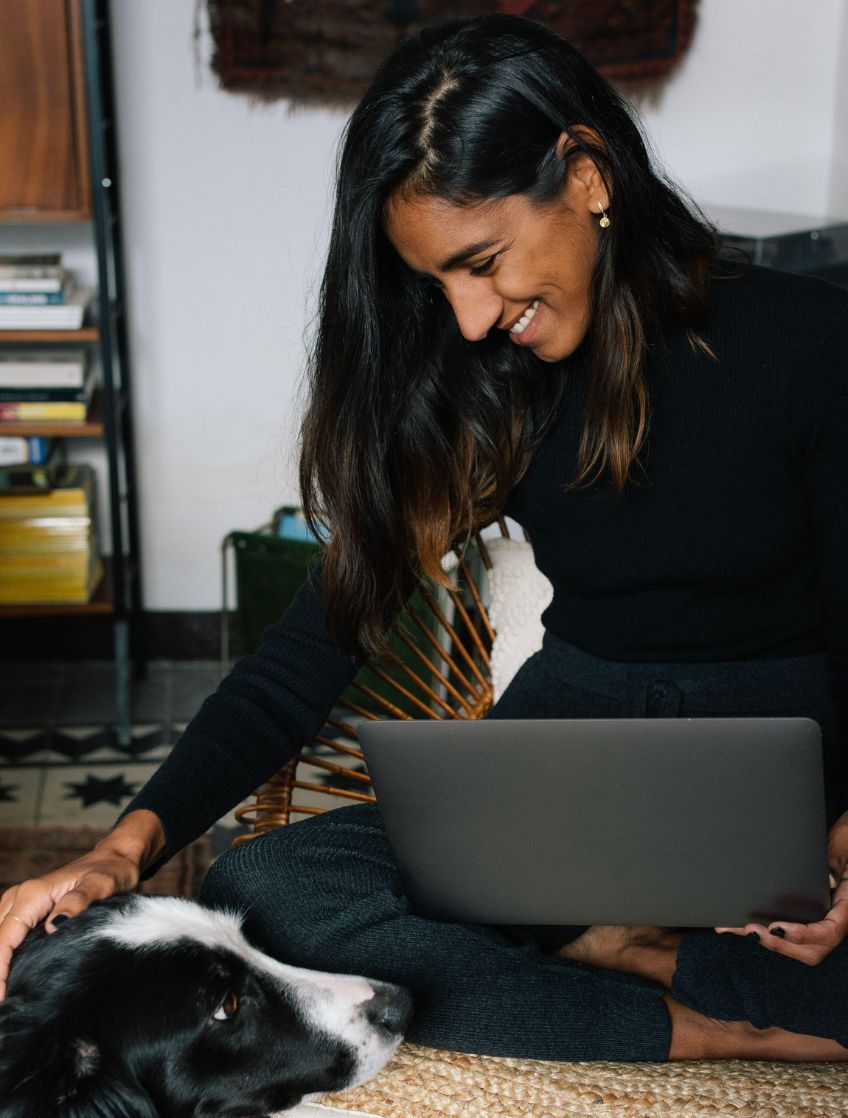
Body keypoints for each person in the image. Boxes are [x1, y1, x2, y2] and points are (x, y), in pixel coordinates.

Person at [2, 14, 848, 1063]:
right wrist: (121, 850)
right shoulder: (482, 389)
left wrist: (843, 849)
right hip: (565, 777)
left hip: (789, 787)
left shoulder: (807, 344)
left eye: (482, 261)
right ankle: (704, 1017)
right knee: (265, 898)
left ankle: (610, 955)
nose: (467, 317)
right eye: (436, 282)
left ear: (583, 173)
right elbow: (310, 651)